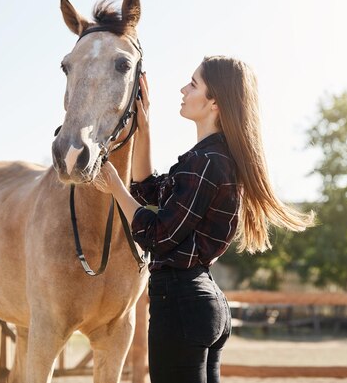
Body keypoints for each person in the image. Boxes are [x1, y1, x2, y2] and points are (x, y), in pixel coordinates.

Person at [95, 55, 315, 383]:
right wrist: (145, 126)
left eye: (194, 84)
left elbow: (157, 236)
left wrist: (114, 186)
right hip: (198, 301)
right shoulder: (208, 159)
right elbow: (148, 192)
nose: (184, 89)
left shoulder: (208, 163)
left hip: (181, 304)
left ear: (214, 101)